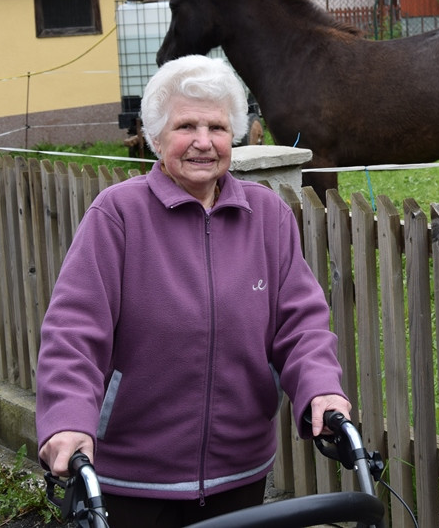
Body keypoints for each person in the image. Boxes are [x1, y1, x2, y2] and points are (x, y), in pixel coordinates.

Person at [35, 55, 350, 528]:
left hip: (239, 470)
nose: (204, 142)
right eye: (186, 126)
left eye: (217, 127)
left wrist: (321, 388)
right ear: (157, 137)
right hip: (133, 479)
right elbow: (73, 332)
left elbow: (300, 324)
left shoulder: (268, 216)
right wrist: (67, 419)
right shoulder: (118, 215)